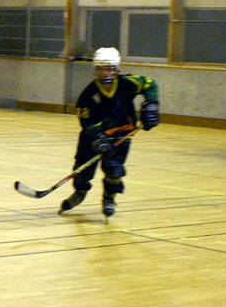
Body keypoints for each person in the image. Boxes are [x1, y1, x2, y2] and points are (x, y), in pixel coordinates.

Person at [59, 47, 159, 218]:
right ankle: (80, 192)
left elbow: (150, 85)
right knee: (82, 171)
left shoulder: (127, 84)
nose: (106, 73)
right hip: (93, 136)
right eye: (102, 69)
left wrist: (152, 105)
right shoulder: (88, 94)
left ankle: (109, 198)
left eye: (110, 69)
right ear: (96, 70)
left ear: (116, 69)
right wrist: (98, 137)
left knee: (114, 169)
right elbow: (86, 121)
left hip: (121, 133)